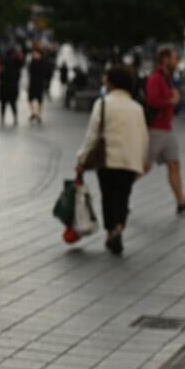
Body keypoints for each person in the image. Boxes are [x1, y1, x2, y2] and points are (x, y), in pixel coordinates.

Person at [75, 66, 149, 255]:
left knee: (108, 196)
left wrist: (82, 158)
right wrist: (143, 160)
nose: (104, 83)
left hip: (107, 159)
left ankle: (111, 232)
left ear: (112, 83)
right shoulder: (137, 108)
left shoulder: (103, 104)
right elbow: (143, 136)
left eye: (106, 80)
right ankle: (119, 228)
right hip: (129, 160)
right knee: (123, 197)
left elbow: (92, 134)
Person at [145, 45, 185, 215]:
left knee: (174, 164)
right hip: (155, 130)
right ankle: (121, 195)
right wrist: (171, 101)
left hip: (166, 129)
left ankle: (181, 202)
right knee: (144, 167)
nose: (177, 61)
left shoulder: (166, 78)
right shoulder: (155, 78)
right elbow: (152, 100)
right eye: (174, 58)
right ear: (165, 60)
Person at [0, 48, 22, 126]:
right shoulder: (16, 65)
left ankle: (2, 118)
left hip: (4, 87)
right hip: (13, 87)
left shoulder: (3, 66)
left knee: (3, 104)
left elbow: (0, 77)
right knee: (13, 104)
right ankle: (15, 118)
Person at [27, 48, 50, 124]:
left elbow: (47, 73)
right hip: (32, 83)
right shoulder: (32, 62)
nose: (34, 55)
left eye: (35, 53)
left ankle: (38, 114)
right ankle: (34, 113)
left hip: (40, 84)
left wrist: (46, 82)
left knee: (40, 100)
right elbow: (29, 71)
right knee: (30, 99)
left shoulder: (43, 62)